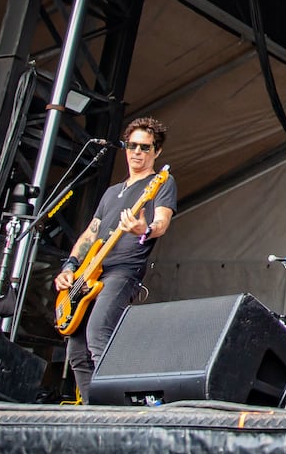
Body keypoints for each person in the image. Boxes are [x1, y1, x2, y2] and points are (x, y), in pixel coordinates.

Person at [53, 117, 177, 402]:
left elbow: (162, 222)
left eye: (145, 148)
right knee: (76, 352)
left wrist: (143, 229)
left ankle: (118, 411)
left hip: (123, 270)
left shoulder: (161, 183)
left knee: (98, 334)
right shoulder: (111, 193)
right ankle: (91, 412)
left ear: (156, 152)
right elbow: (89, 234)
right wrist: (70, 267)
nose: (137, 152)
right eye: (132, 145)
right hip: (89, 273)